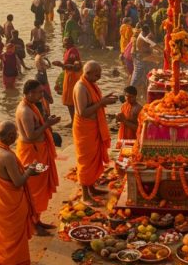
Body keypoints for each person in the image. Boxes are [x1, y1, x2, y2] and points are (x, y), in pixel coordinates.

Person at [0, 121, 39, 265]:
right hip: (9, 206)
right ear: (10, 136)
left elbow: (6, 174)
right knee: (12, 241)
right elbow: (18, 182)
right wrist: (30, 171)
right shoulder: (7, 155)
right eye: (16, 134)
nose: (17, 137)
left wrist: (23, 169)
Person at [16, 80, 62, 235]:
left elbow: (38, 127)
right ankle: (33, 225)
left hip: (39, 150)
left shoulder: (32, 106)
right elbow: (30, 136)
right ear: (30, 93)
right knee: (34, 190)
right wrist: (47, 124)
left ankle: (37, 220)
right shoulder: (25, 111)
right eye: (39, 92)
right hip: (32, 152)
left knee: (40, 189)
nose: (42, 95)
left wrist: (47, 122)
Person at [72, 61, 116, 204]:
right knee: (86, 162)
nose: (99, 77)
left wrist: (103, 99)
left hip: (93, 127)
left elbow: (93, 103)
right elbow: (83, 112)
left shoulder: (91, 84)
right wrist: (102, 103)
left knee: (94, 160)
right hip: (85, 130)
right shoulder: (81, 87)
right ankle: (85, 195)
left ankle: (91, 187)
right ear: (88, 73)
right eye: (97, 75)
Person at [53, 36, 82, 125]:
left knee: (72, 100)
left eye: (66, 41)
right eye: (63, 41)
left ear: (70, 42)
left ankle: (74, 120)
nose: (64, 43)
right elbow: (66, 66)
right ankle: (74, 119)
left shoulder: (73, 51)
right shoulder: (67, 51)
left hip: (73, 77)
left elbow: (77, 67)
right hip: (68, 76)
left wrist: (61, 65)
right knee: (69, 100)